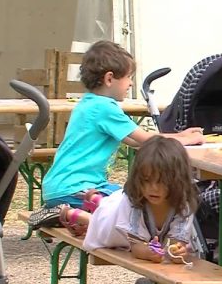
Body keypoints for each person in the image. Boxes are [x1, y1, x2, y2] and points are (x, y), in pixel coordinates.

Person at [28, 40, 204, 232]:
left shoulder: (88, 103)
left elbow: (133, 140)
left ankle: (74, 215)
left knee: (126, 197)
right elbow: (146, 139)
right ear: (109, 79)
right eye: (128, 77)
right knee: (131, 204)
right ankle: (71, 215)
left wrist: (174, 137)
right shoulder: (104, 107)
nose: (130, 83)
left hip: (61, 187)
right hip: (76, 187)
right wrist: (185, 138)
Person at [79, 136, 199, 264]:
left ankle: (96, 201)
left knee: (109, 207)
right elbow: (136, 247)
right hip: (109, 224)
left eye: (162, 181)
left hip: (119, 211)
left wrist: (178, 252)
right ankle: (77, 214)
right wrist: (148, 253)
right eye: (146, 180)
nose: (153, 188)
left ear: (177, 180)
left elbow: (176, 244)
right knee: (99, 219)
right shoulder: (133, 200)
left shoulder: (183, 201)